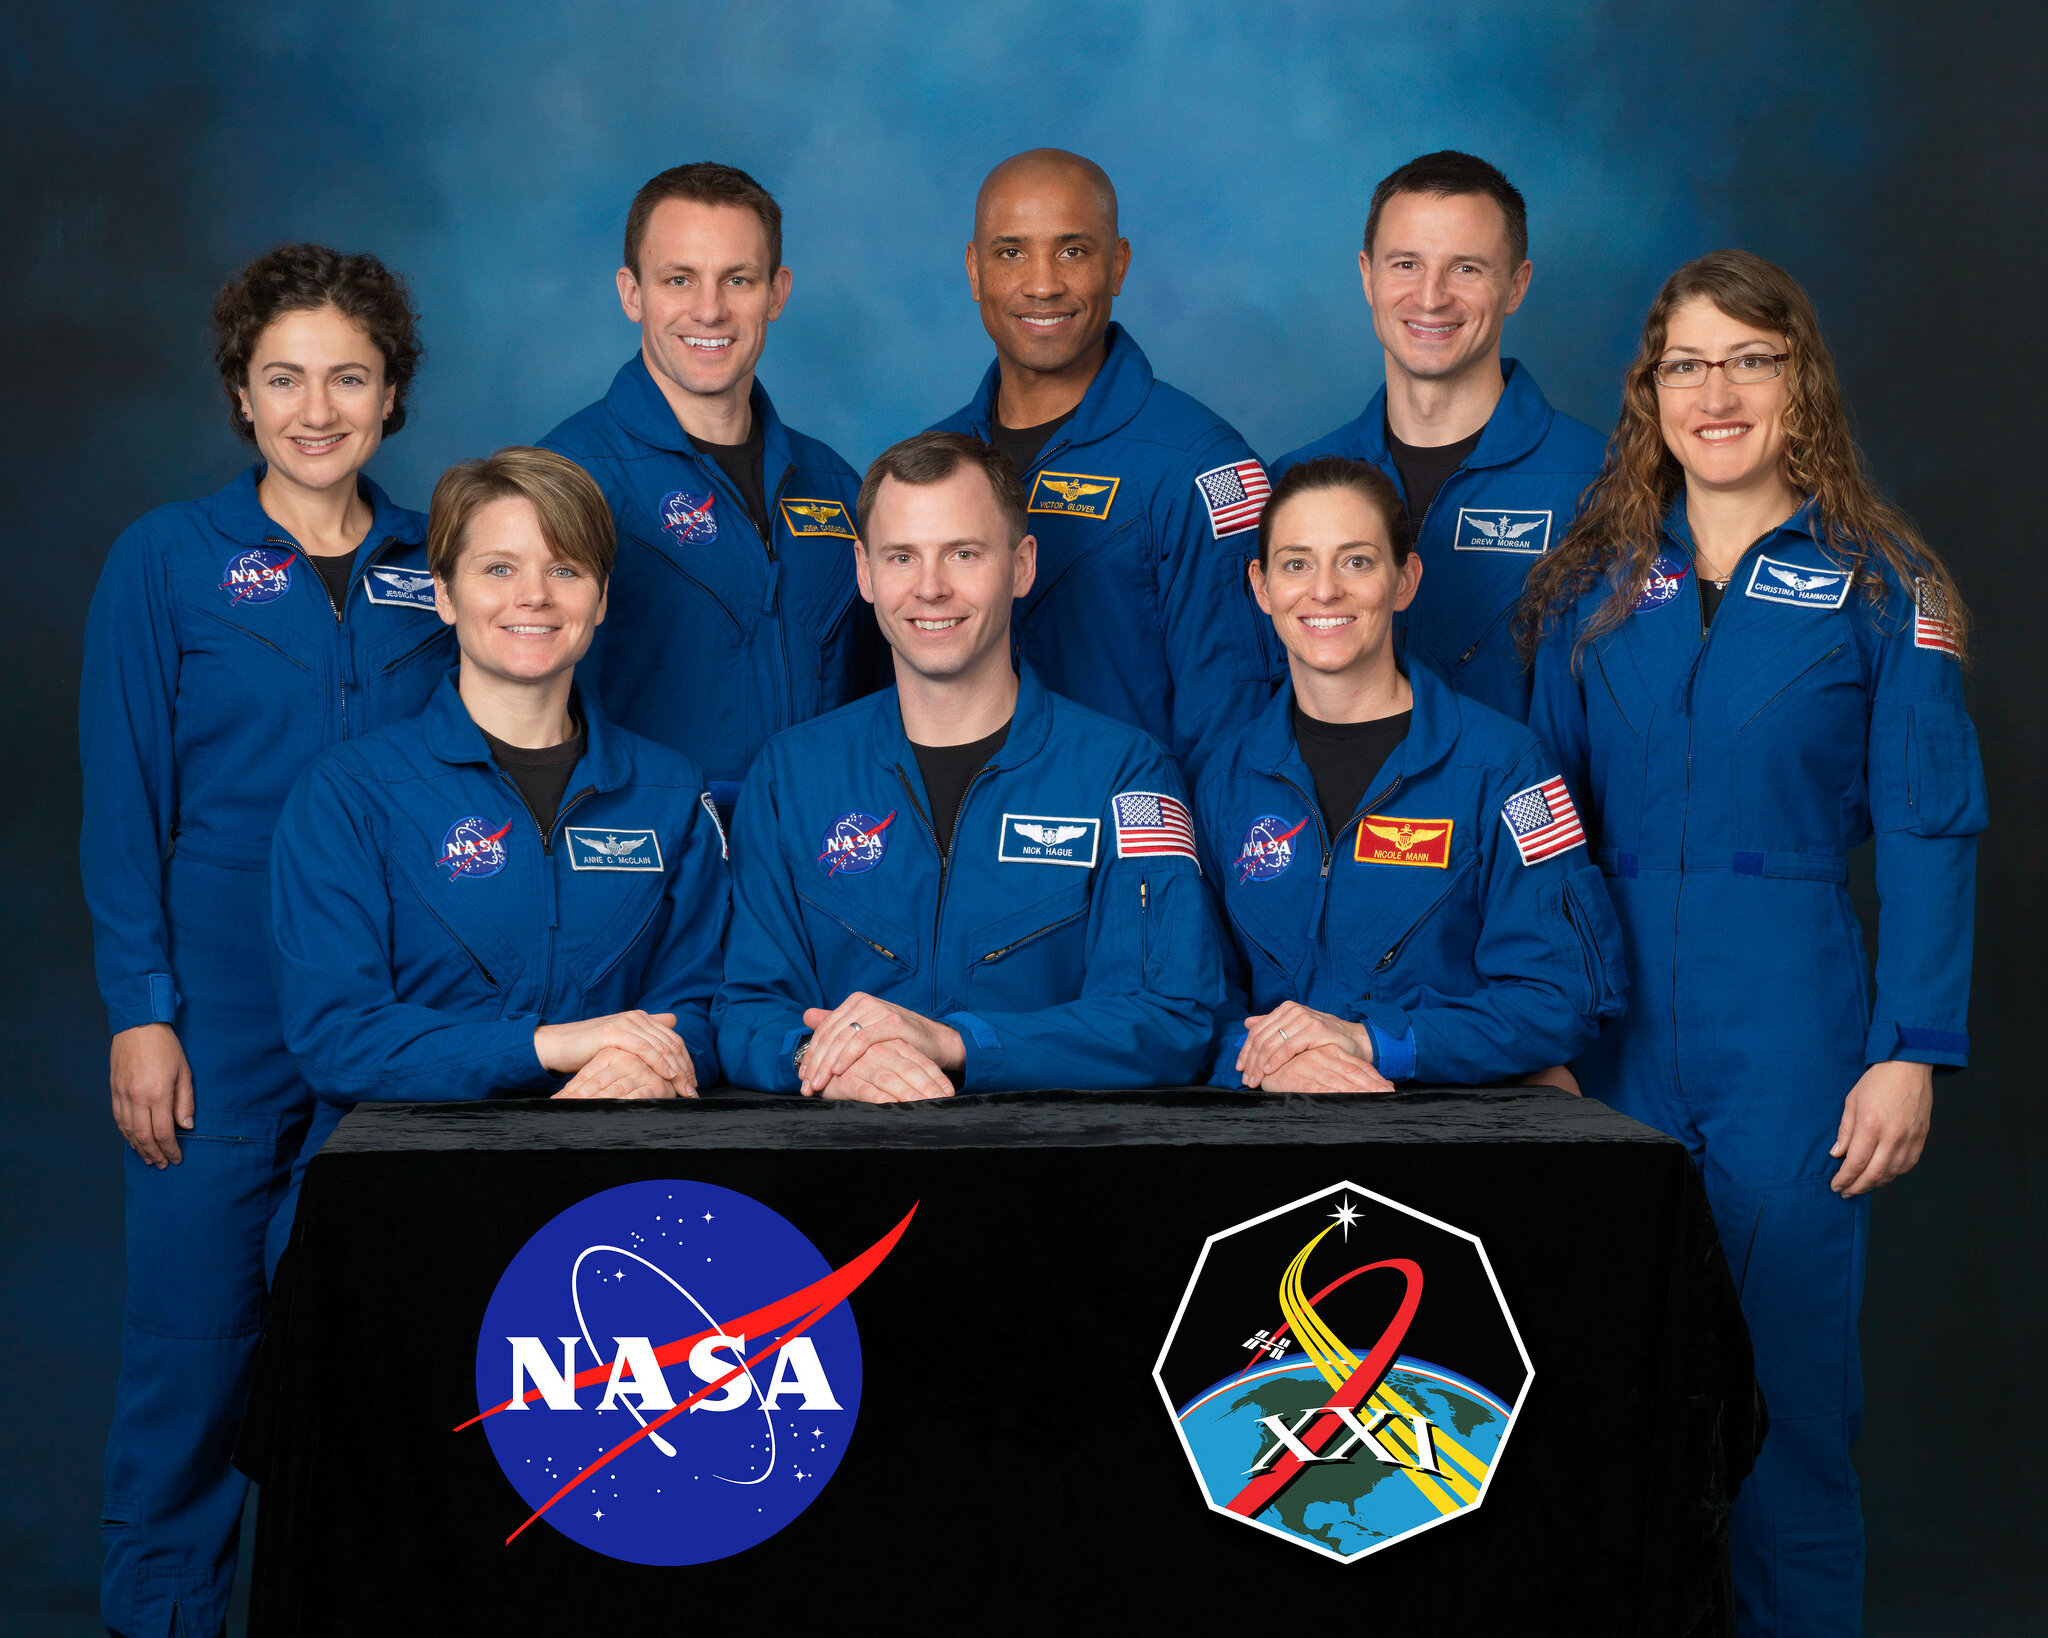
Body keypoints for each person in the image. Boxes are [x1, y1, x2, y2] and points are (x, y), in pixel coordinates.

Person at [1521, 250, 1985, 1637]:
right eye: (1686, 364)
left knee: (1786, 1396)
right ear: (1647, 393)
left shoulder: (1886, 584)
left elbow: (1929, 824)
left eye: (1750, 360)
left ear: (1802, 384)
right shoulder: (1585, 586)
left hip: (1790, 1017)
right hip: (1608, 1031)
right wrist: (1541, 1041)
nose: (1716, 391)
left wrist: (1909, 1047)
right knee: (1596, 1385)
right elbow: (1537, 826)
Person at [79, 244, 450, 1637]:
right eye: (284, 376)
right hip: (218, 1006)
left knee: (369, 1345)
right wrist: (143, 1008)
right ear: (240, 392)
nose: (315, 406)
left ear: (392, 392)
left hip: (393, 1001)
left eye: (347, 376)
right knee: (196, 1351)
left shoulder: (442, 562)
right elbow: (125, 808)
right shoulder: (165, 563)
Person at [270, 447, 729, 1209]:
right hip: (396, 1192)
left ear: (602, 596)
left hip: (614, 1181)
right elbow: (338, 1038)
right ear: (445, 593)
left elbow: (706, 1005)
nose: (535, 598)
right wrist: (552, 1046)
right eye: (499, 569)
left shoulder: (671, 792)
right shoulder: (349, 794)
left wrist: (651, 1062)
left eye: (566, 570)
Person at [714, 431, 1224, 1099]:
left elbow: (1169, 1018)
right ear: (864, 573)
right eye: (902, 557)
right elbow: (746, 1011)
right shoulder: (790, 776)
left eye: (963, 553)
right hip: (839, 1174)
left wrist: (958, 1044)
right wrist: (818, 1057)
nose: (931, 588)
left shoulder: (1126, 775)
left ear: (1021, 565)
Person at [1198, 457, 1626, 1093]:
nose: (1324, 590)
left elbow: (1562, 997)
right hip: (1269, 1140)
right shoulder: (1225, 781)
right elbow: (1195, 1003)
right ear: (1260, 587)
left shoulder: (1507, 770)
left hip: (1443, 1142)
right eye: (1296, 563)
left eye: (1357, 561)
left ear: (1405, 579)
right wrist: (1282, 1060)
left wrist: (1374, 1042)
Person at [926, 148, 1277, 784]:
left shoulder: (1201, 468)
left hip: (1127, 862)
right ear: (974, 272)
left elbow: (1236, 732)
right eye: (1011, 252)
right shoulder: (929, 466)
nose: (1042, 284)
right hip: (964, 860)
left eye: (1073, 251)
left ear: (1118, 265)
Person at [539, 161, 878, 814]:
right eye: (679, 279)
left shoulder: (835, 486)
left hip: (812, 872)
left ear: (777, 292)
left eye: (738, 280)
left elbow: (883, 703)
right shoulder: (567, 479)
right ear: (631, 292)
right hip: (650, 870)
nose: (709, 309)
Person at [1271, 151, 1605, 722]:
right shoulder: (1292, 484)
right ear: (1366, 276)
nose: (1430, 297)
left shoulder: (1603, 484)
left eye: (1466, 268)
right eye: (1405, 264)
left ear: (1517, 286)